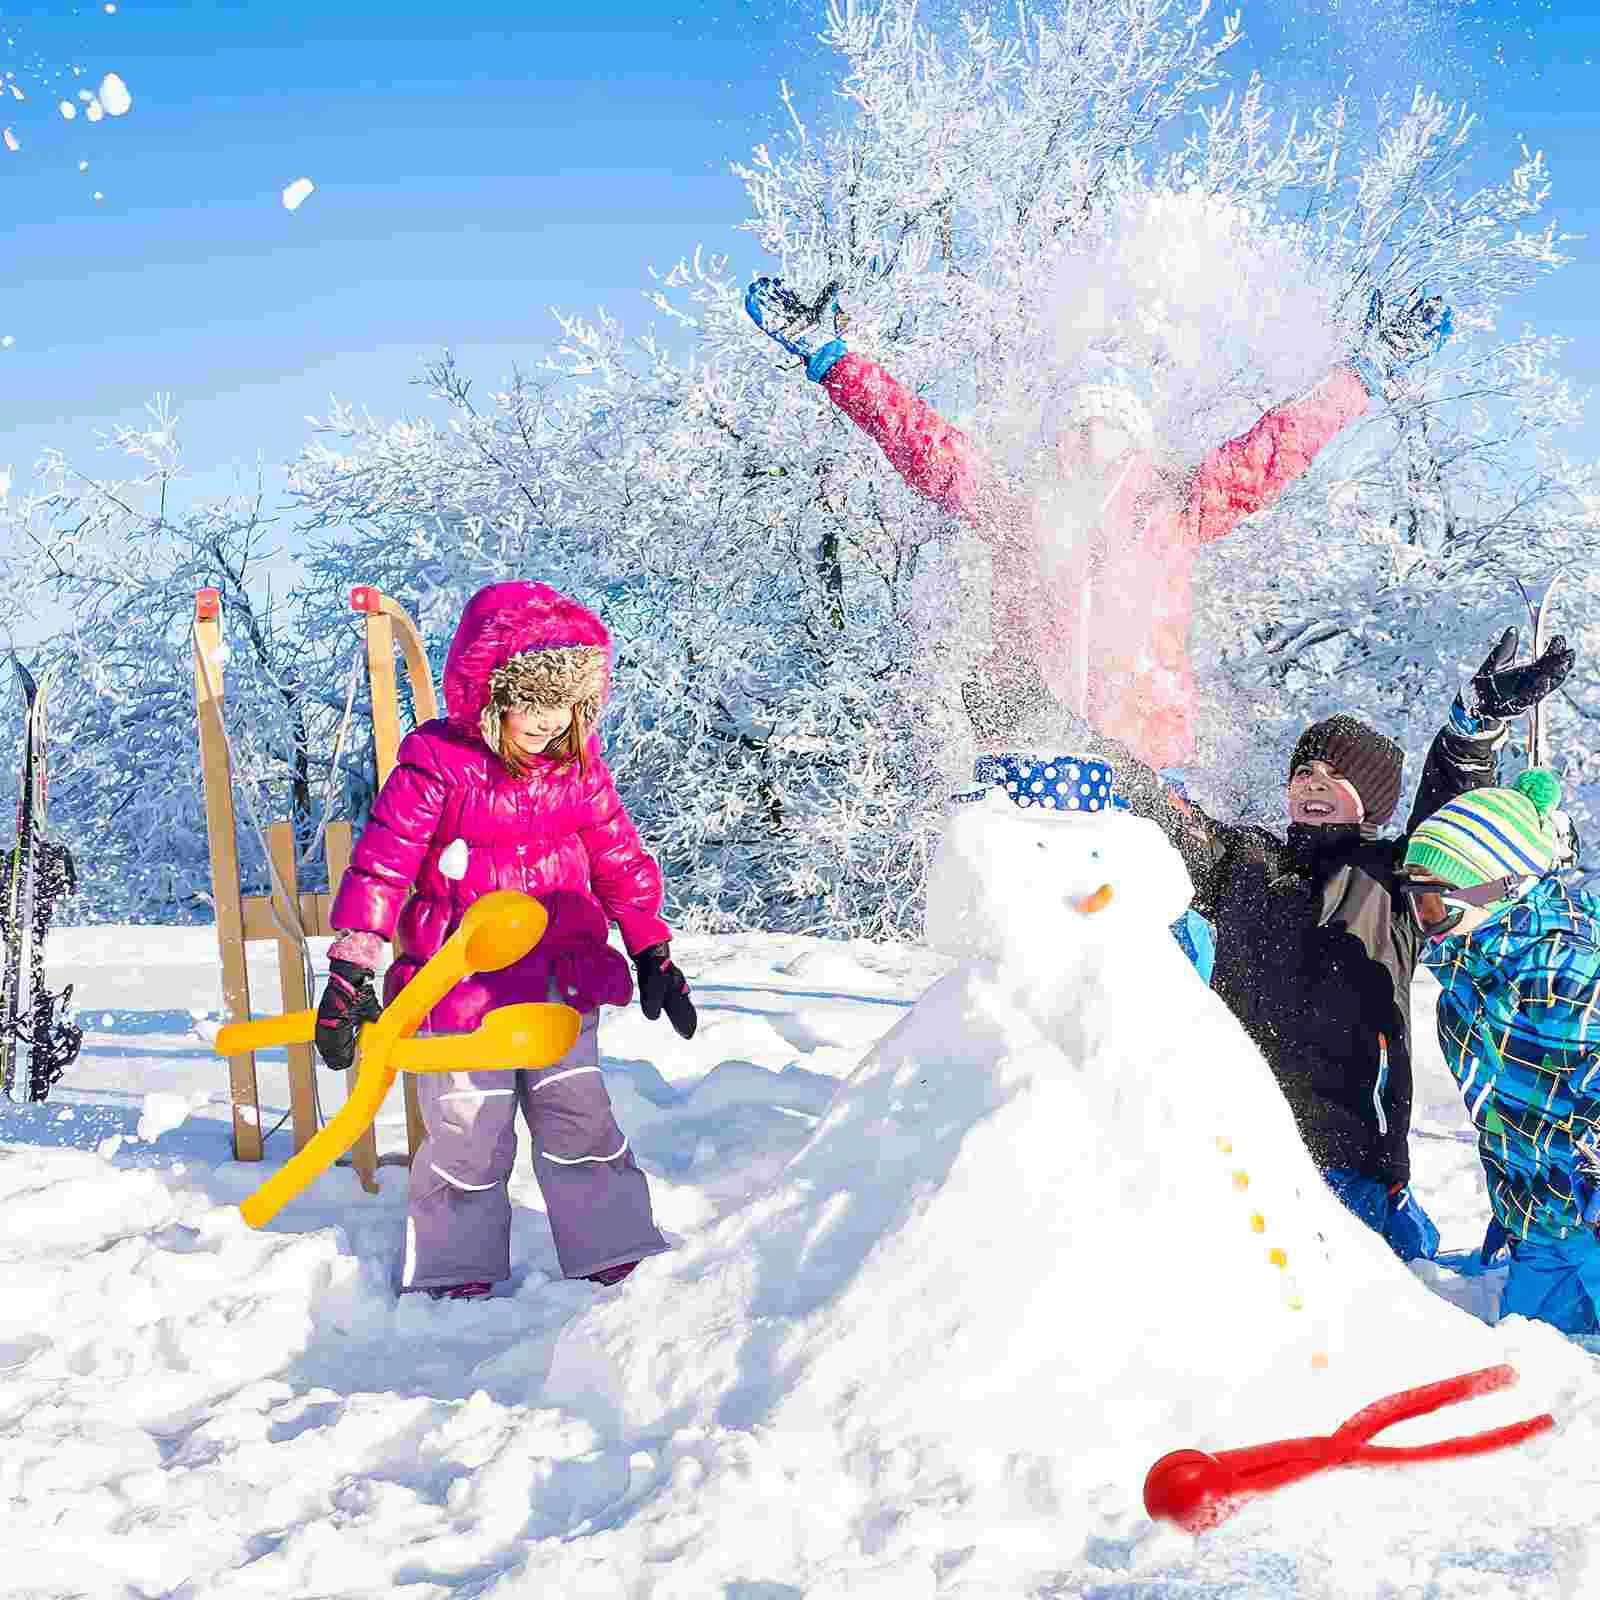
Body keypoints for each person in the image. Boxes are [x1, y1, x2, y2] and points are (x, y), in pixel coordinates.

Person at [745, 276, 1451, 977]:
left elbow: (1277, 445)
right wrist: (835, 361)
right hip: (1031, 754)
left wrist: (1361, 375)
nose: (1090, 440)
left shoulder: (1181, 506)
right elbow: (922, 441)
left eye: (1106, 424)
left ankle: (1174, 1045)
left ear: (1134, 435)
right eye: (1078, 424)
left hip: (1140, 758)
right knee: (1028, 936)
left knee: (1154, 924)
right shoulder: (1016, 507)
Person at [1098, 628, 1574, 1261]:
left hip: (1354, 1151)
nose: (1312, 782)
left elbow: (1450, 816)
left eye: (1334, 775)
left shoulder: (1397, 874)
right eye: (1303, 771)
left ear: (1371, 801)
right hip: (1237, 1139)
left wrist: (1474, 725)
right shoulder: (1240, 860)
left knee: (1374, 1291)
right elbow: (1157, 812)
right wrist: (1075, 744)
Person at [313, 580, 696, 1299]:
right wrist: (352, 965)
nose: (549, 724)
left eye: (565, 708)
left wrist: (650, 947)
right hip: (459, 987)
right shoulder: (436, 762)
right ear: (489, 692)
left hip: (560, 981)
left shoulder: (578, 766)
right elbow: (385, 859)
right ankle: (457, 1272)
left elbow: (618, 855)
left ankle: (615, 1252)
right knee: (466, 1133)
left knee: (579, 1116)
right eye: (535, 704)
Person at [1402, 769, 1600, 1335]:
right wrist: (1520, 1201)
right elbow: (1512, 1111)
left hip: (1586, 1230)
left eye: (1434, 903)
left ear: (1499, 889)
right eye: (1412, 902)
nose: (1422, 922)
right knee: (1539, 1364)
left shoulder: (1566, 973)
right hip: (1542, 1225)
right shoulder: (1468, 982)